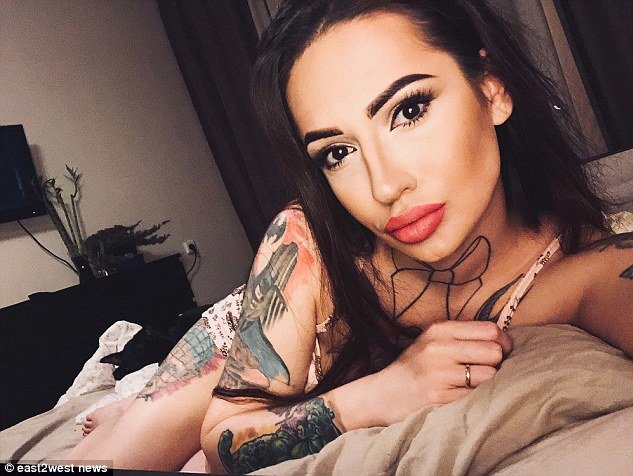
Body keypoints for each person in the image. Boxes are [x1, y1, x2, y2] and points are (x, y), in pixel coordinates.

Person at [69, 0, 632, 473]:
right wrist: (387, 392)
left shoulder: (580, 269)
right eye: (337, 152)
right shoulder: (306, 243)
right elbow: (224, 441)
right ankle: (134, 403)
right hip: (257, 332)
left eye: (409, 110)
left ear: (492, 90)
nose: (384, 185)